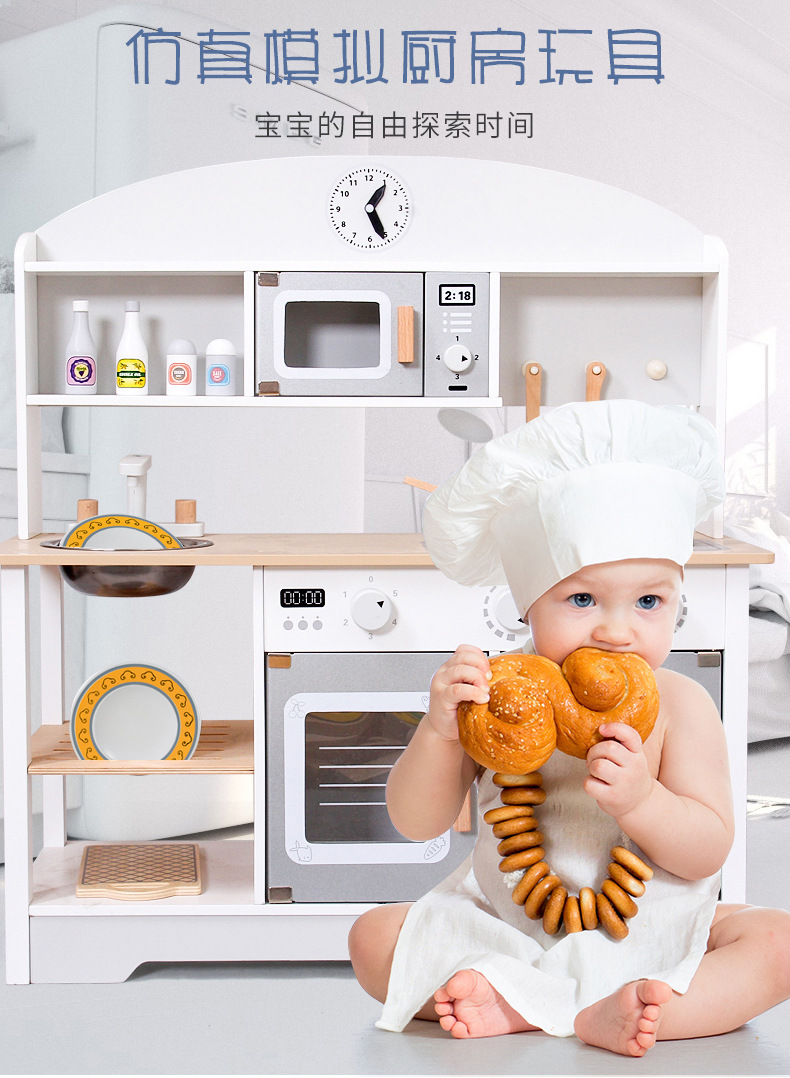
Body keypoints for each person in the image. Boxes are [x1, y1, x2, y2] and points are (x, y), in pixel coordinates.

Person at [348, 400, 790, 1058]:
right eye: (581, 600)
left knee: (777, 944)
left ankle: (601, 1008)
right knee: (372, 938)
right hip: (508, 925)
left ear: (676, 601)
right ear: (530, 603)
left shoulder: (682, 702)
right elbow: (416, 821)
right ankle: (521, 994)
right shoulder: (499, 698)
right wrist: (439, 731)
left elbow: (707, 852)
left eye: (649, 601)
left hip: (649, 932)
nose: (616, 630)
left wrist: (643, 801)